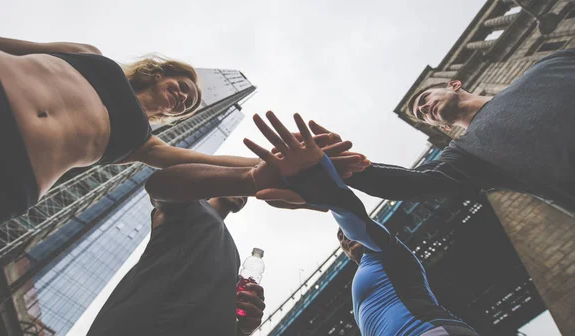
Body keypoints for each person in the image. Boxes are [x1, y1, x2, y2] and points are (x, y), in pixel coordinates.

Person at [0, 30, 268, 241]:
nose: (181, 97)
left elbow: (201, 160)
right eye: (181, 86)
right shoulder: (92, 55)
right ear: (160, 75)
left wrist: (272, 163)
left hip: (9, 179)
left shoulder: (144, 143)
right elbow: (12, 46)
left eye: (186, 105)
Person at [243, 111, 479, 336]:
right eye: (342, 239)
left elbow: (356, 220)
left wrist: (315, 178)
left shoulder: (385, 252)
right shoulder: (366, 268)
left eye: (345, 233)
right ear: (344, 252)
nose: (347, 238)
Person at [291, 48, 575, 213]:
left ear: (453, 84)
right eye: (421, 115)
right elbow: (415, 183)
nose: (424, 109)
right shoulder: (467, 154)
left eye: (424, 99)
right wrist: (349, 166)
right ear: (443, 126)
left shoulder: (546, 68)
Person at [86, 195, 265, 336]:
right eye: (240, 184)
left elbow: (210, 313)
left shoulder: (234, 253)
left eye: (248, 193)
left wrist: (243, 329)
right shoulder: (188, 204)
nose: (245, 193)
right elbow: (161, 185)